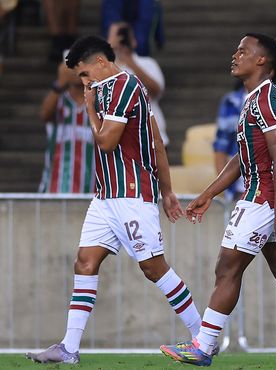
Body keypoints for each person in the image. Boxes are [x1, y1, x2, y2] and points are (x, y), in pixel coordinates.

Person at [26, 36, 201, 364]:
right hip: (106, 196)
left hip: (131, 193)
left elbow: (106, 142)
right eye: (80, 78)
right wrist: (168, 191)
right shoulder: (118, 89)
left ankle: (202, 337)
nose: (84, 82)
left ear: (101, 63)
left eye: (84, 74)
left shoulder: (121, 86)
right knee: (85, 262)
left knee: (153, 267)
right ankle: (69, 347)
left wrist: (90, 109)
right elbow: (157, 141)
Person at [159, 34, 276, 367]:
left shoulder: (268, 98)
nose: (235, 55)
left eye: (243, 51)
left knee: (227, 268)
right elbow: (242, 156)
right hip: (269, 196)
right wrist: (209, 193)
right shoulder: (254, 98)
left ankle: (203, 347)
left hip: (264, 197)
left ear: (262, 60)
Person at [213, 52, 276, 200]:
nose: (236, 57)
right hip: (240, 189)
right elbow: (221, 146)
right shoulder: (230, 101)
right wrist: (224, 190)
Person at [107, 22, 169, 147]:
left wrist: (131, 64)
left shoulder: (147, 63)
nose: (120, 39)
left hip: (152, 138)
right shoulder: (105, 68)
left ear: (133, 40)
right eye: (116, 36)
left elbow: (157, 90)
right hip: (121, 142)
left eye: (124, 35)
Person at [39, 61, 96, 193]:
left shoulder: (99, 103)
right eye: (73, 66)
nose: (77, 71)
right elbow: (44, 114)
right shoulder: (58, 100)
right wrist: (60, 83)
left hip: (91, 192)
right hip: (54, 189)